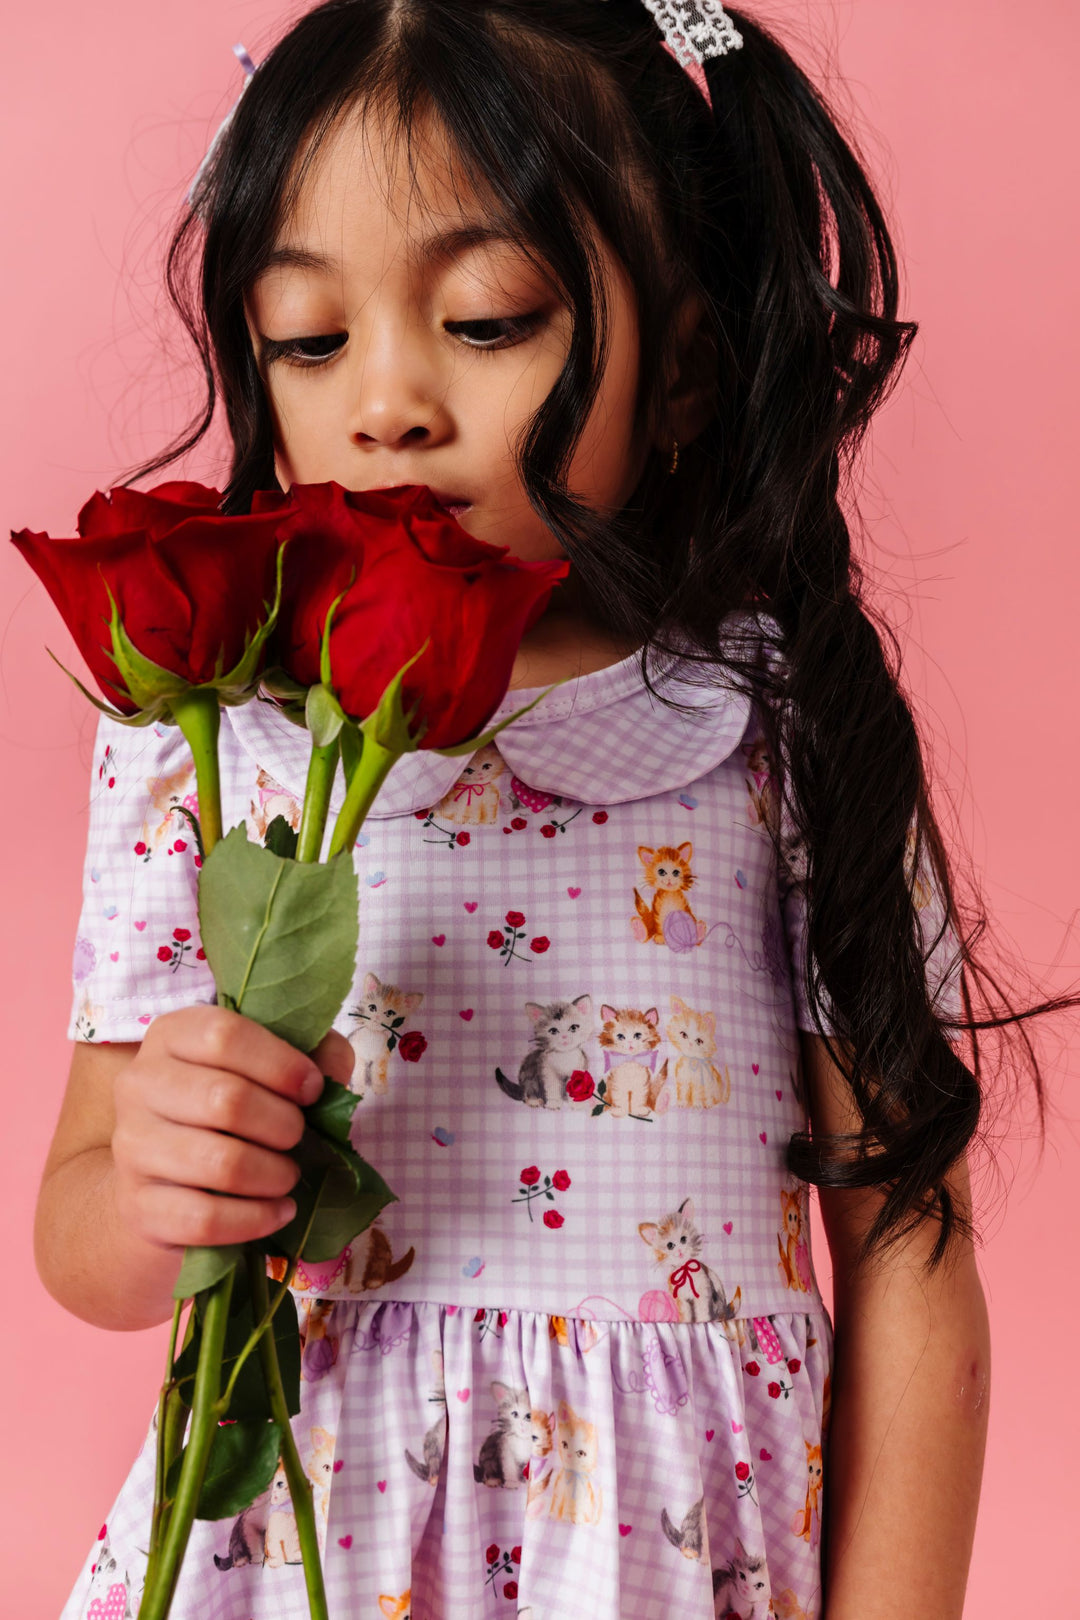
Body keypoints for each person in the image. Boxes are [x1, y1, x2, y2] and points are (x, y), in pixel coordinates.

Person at [33, 3, 1064, 1617]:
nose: (386, 402)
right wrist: (161, 1175)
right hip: (300, 1550)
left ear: (688, 374)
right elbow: (84, 1236)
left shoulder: (774, 731)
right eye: (310, 338)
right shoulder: (210, 741)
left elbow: (911, 1265)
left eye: (491, 317)